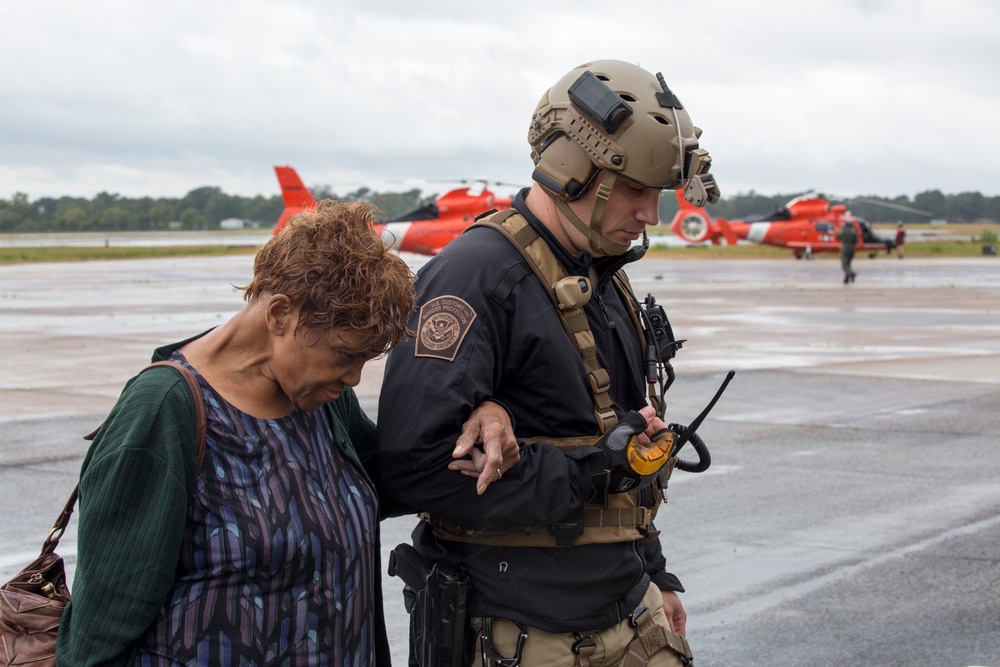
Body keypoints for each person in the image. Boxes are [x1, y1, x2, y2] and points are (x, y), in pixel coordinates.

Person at [56, 200, 516, 666]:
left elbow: (405, 474)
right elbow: (100, 630)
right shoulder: (163, 414)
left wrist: (488, 411)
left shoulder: (322, 401)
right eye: (344, 354)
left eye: (365, 360)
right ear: (279, 315)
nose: (354, 377)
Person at [377, 60, 721, 667]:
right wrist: (591, 470)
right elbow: (414, 466)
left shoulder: (601, 279)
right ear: (571, 170)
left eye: (658, 193)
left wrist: (655, 576)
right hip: (523, 631)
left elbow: (622, 436)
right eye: (637, 190)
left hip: (625, 612)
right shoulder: (476, 278)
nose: (651, 216)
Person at [836, 218, 858, 283]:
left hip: (845, 249)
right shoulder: (853, 231)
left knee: (844, 265)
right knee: (848, 264)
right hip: (852, 249)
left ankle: (851, 274)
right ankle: (846, 280)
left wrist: (838, 232)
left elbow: (838, 238)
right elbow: (856, 241)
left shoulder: (844, 231)